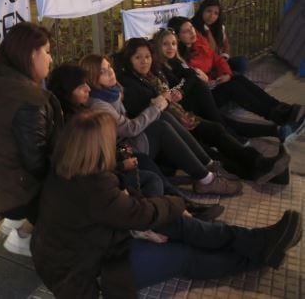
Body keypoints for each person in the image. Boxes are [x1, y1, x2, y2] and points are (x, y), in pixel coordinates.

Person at [30, 110, 303, 298]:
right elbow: (136, 212)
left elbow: (124, 207)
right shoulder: (90, 183)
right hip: (87, 275)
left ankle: (260, 240)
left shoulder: (73, 170)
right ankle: (257, 256)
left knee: (177, 223)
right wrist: (173, 203)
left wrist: (151, 220)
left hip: (98, 243)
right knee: (183, 256)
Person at [47, 63, 224, 220]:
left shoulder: (101, 98)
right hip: (112, 165)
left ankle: (200, 178)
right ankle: (185, 204)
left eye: (110, 67)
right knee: (152, 156)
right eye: (80, 87)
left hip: (118, 153)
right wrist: (121, 164)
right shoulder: (81, 118)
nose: (87, 88)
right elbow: (95, 157)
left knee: (162, 122)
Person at [115, 37, 289, 184]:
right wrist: (168, 104)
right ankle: (254, 170)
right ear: (129, 59)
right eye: (138, 58)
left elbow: (183, 80)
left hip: (178, 117)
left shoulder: (151, 74)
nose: (144, 61)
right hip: (162, 130)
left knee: (216, 129)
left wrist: (176, 96)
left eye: (147, 56)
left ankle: (262, 165)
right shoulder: (129, 83)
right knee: (207, 148)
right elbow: (145, 112)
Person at [0, 22, 62, 257]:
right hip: (10, 192)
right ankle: (25, 233)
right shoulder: (28, 100)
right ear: (30, 54)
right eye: (47, 52)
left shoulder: (1, 80)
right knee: (73, 182)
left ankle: (18, 222)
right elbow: (36, 162)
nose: (51, 59)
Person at [79, 54, 242, 196]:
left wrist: (158, 107)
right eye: (102, 71)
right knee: (160, 126)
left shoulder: (111, 91)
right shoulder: (99, 104)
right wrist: (156, 106)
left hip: (128, 141)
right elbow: (129, 128)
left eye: (109, 67)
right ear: (92, 77)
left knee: (164, 117)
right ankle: (206, 180)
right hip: (122, 151)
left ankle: (208, 166)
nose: (110, 72)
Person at [152, 27, 288, 142]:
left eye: (173, 44)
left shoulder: (175, 61)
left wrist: (183, 89)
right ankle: (273, 123)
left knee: (235, 83)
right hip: (191, 105)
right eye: (165, 44)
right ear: (158, 45)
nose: (170, 47)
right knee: (223, 119)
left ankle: (276, 125)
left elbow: (193, 74)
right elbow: (190, 77)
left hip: (200, 97)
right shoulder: (159, 67)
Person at [169, 16, 304, 130]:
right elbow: (194, 81)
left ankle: (281, 108)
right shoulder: (179, 58)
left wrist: (226, 73)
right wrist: (208, 80)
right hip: (205, 97)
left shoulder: (198, 41)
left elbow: (216, 58)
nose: (192, 33)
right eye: (186, 31)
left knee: (236, 77)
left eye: (192, 28)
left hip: (213, 82)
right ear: (178, 37)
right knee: (232, 87)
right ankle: (277, 116)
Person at [192, 0, 249, 75]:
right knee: (235, 76)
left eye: (216, 13)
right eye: (209, 11)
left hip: (219, 61)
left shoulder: (219, 27)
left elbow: (226, 45)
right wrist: (207, 31)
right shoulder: (193, 28)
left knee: (242, 62)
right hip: (205, 64)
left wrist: (225, 56)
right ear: (202, 11)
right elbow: (212, 49)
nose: (212, 16)